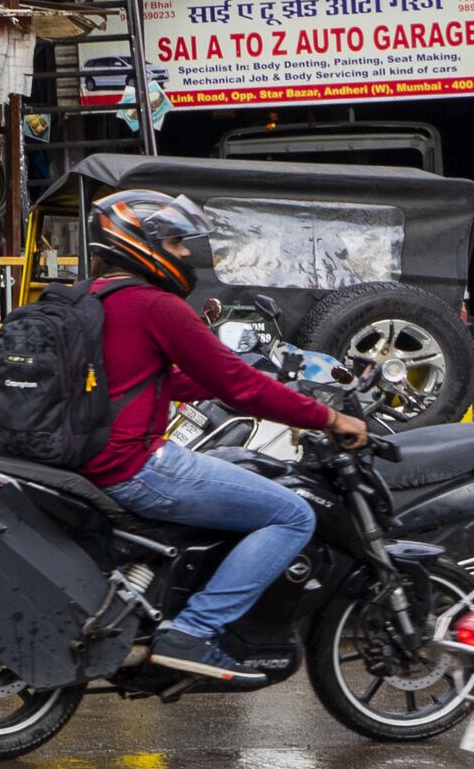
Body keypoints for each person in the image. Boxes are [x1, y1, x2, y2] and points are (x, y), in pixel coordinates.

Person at [70, 189, 365, 684]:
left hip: (75, 459)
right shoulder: (156, 306)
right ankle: (192, 631)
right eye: (177, 243)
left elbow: (152, 379)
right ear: (143, 244)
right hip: (131, 466)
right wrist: (327, 418)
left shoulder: (82, 299)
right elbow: (240, 385)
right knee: (293, 514)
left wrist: (258, 388)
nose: (186, 254)